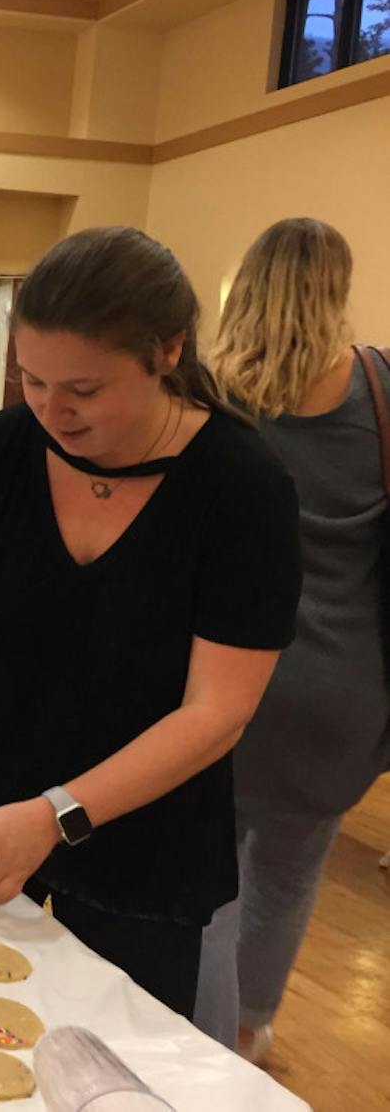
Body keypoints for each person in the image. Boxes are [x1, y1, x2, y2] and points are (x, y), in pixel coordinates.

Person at [0, 227, 301, 1019]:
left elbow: (217, 710)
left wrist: (62, 810)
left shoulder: (243, 488)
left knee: (111, 1063)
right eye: (32, 379)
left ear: (168, 351)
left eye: (84, 390)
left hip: (145, 847)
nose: (51, 409)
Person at [194, 218, 390, 1060]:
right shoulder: (382, 387)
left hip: (228, 674)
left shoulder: (213, 400)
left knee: (207, 872)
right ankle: (247, 1031)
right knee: (289, 870)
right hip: (348, 682)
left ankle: (195, 1036)